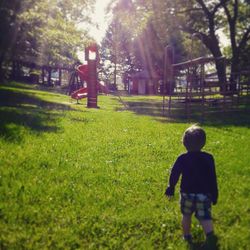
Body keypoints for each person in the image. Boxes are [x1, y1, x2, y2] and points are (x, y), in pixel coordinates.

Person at [165, 125, 218, 244]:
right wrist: (214, 194)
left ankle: (187, 236)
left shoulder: (182, 158)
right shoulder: (208, 158)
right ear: (203, 142)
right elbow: (212, 178)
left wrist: (171, 186)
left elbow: (175, 173)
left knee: (186, 215)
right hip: (204, 194)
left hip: (187, 194)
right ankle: (210, 236)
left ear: (184, 142)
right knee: (205, 216)